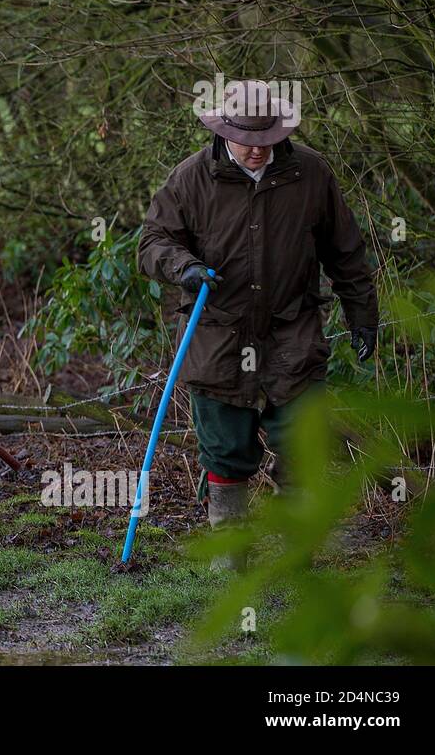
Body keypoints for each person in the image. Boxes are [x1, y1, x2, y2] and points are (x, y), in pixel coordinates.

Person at [138, 79, 378, 568]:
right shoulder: (190, 179)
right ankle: (232, 561)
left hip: (293, 336)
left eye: (263, 139)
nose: (253, 149)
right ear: (224, 130)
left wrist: (362, 316)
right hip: (217, 339)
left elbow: (345, 252)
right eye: (244, 138)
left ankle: (299, 559)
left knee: (302, 450)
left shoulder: (310, 174)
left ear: (278, 132)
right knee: (225, 453)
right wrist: (182, 266)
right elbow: (152, 242)